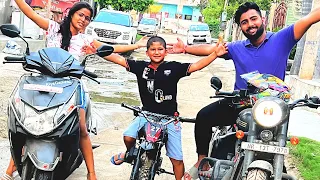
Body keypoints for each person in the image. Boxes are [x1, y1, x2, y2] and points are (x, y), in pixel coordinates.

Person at [167, 2, 320, 179]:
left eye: (253, 19)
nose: (250, 24)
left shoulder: (282, 38)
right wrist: (185, 49)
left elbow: (310, 17)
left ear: (262, 19)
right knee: (203, 116)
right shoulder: (237, 47)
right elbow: (211, 49)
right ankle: (203, 160)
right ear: (241, 27)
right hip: (240, 103)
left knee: (276, 148)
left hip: (270, 108)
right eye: (244, 22)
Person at [1, 1, 147, 180]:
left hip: (71, 88)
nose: (84, 20)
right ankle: (11, 168)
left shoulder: (86, 40)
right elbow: (31, 14)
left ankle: (91, 173)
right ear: (71, 14)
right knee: (25, 122)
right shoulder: (53, 27)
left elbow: (111, 50)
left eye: (87, 18)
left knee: (82, 128)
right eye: (81, 15)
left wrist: (137, 46)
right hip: (43, 84)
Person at [102, 36, 227, 179]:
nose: (156, 52)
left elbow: (196, 65)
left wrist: (215, 54)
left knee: (177, 160)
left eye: (160, 49)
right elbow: (119, 60)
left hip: (169, 120)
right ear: (147, 52)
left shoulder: (173, 67)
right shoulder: (140, 67)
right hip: (146, 116)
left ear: (165, 52)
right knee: (128, 137)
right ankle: (130, 153)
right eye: (152, 49)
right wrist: (100, 51)